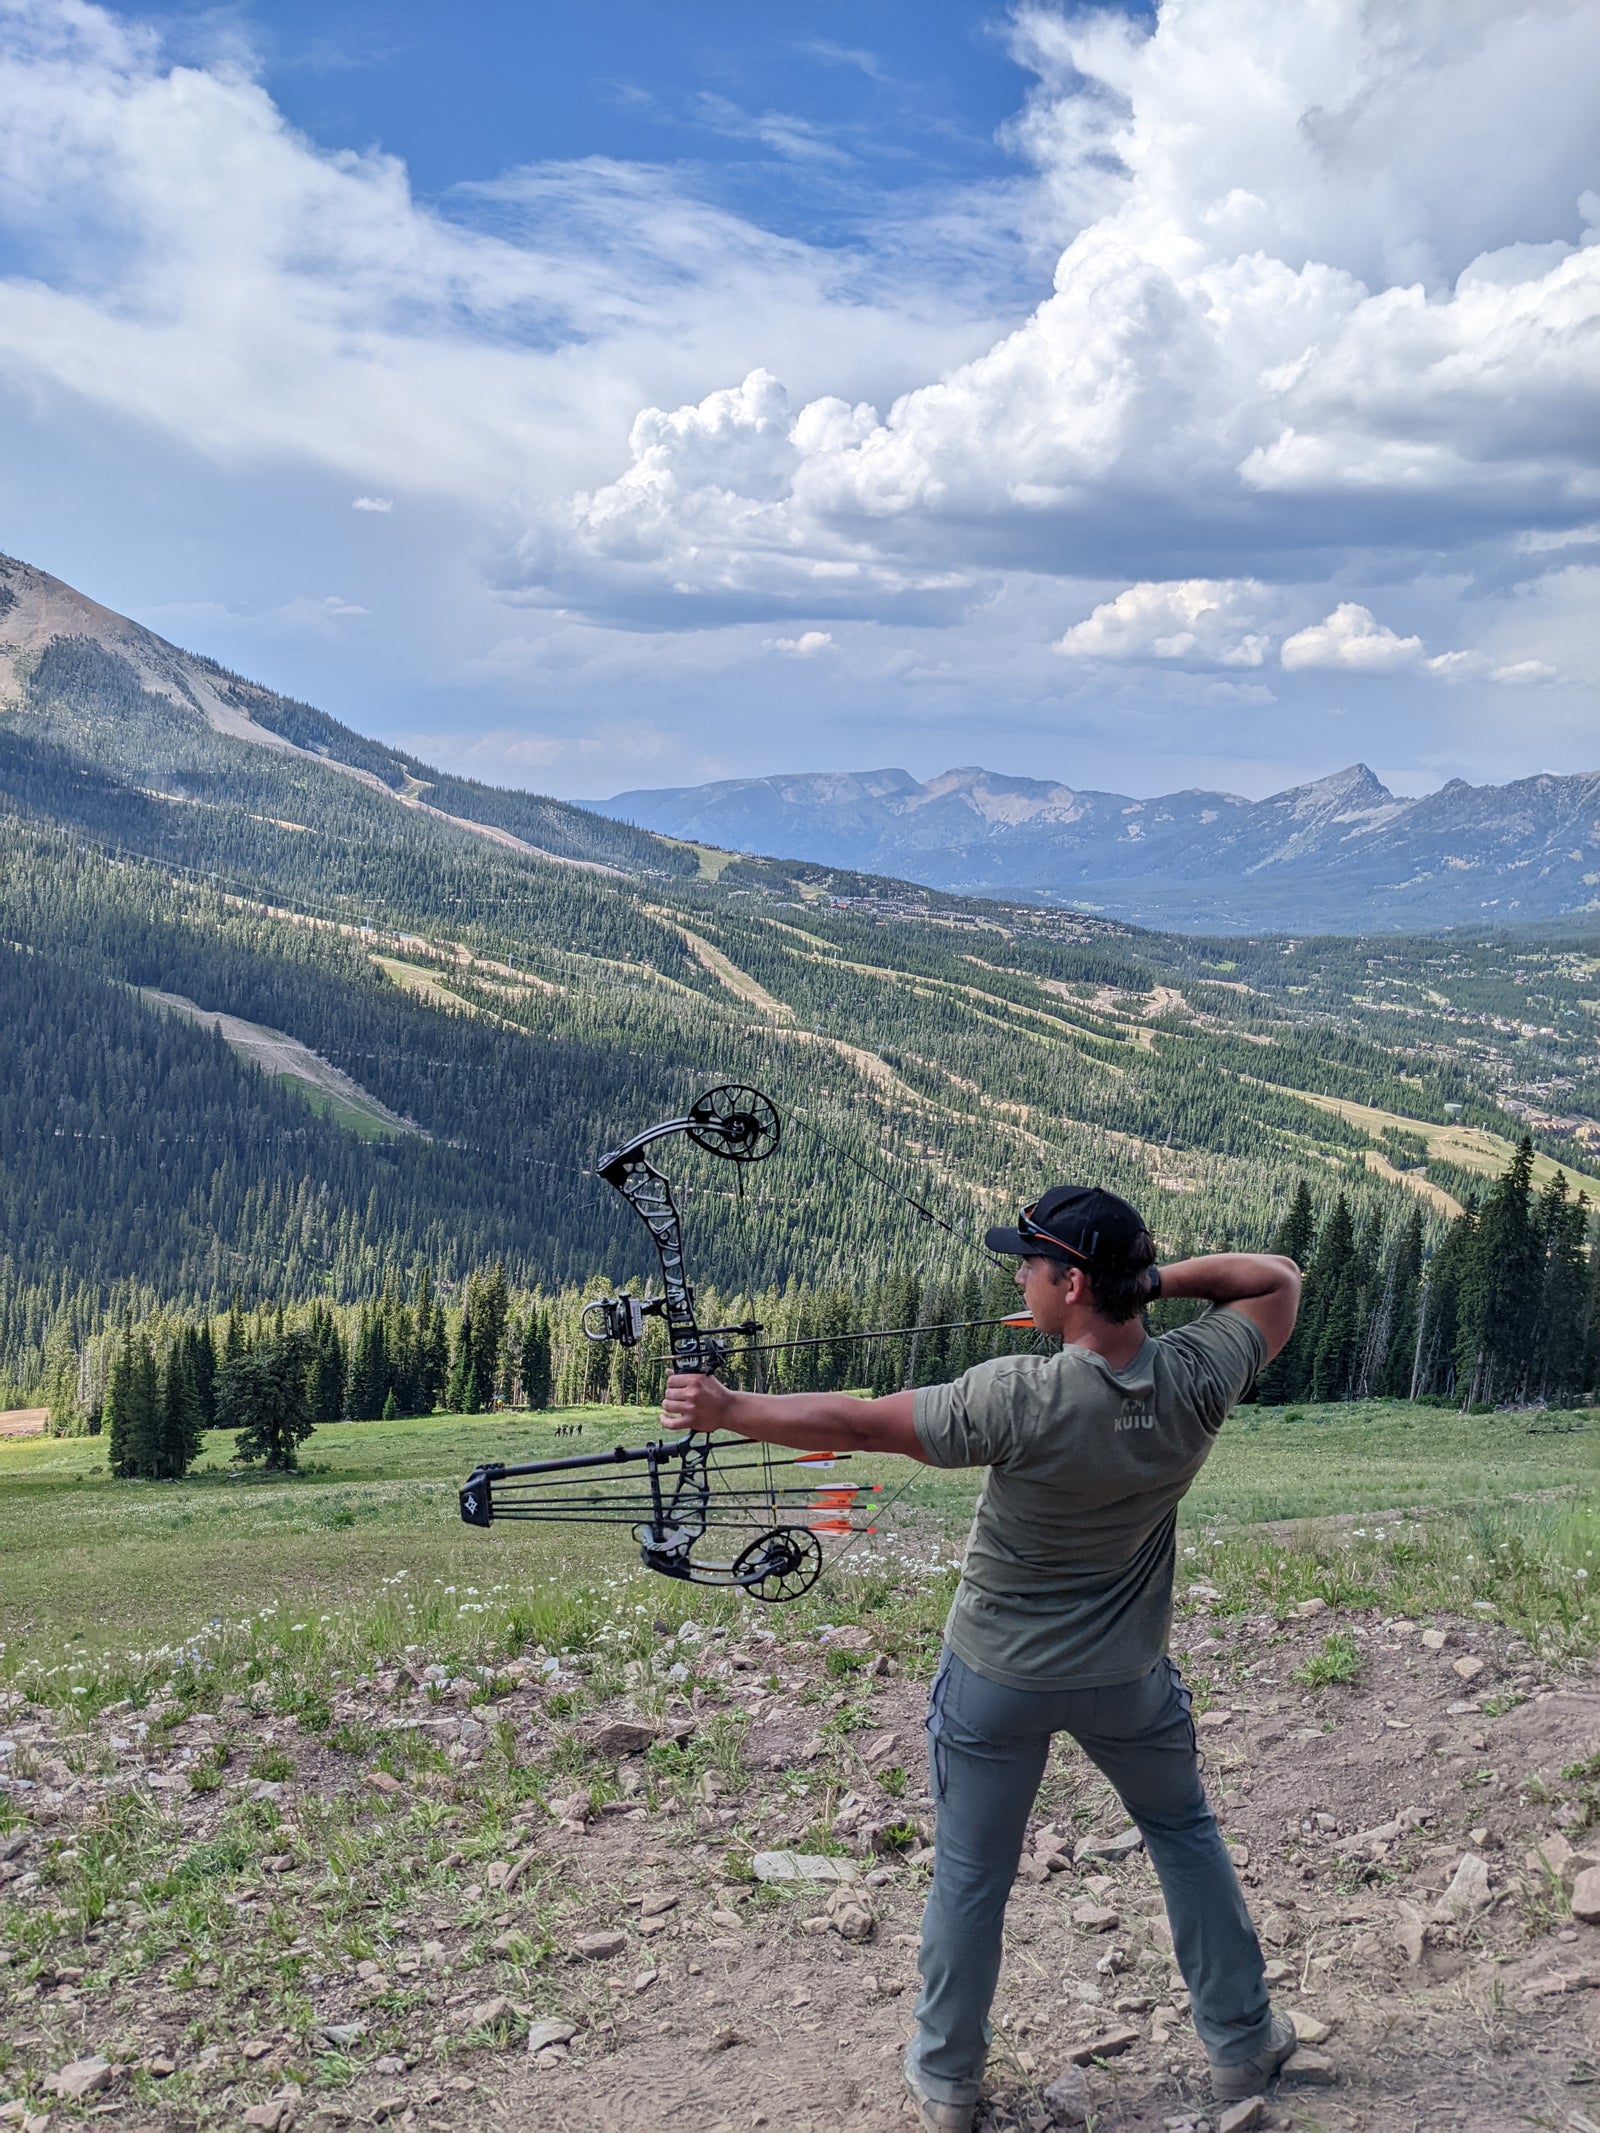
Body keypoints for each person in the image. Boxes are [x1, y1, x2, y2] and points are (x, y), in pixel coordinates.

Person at [660, 1183, 1303, 2130]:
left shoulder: (1018, 1394)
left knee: (971, 1872)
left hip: (996, 1679)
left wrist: (726, 1406)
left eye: (1029, 1265)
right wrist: (1149, 1282)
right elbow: (1276, 1278)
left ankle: (947, 2080)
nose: (1017, 1278)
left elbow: (859, 1424)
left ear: (1071, 1283)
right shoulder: (1198, 1375)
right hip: (1129, 1676)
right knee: (1182, 1832)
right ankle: (1242, 2043)